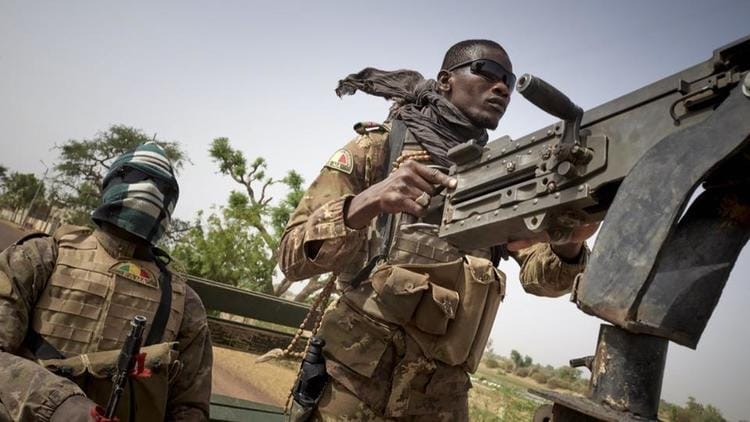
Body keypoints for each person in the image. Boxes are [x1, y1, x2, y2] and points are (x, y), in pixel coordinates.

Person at [279, 39, 597, 421]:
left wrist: (568, 245)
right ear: (446, 81)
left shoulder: (501, 174)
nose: (502, 88)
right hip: (350, 389)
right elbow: (292, 257)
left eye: (509, 81)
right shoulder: (379, 146)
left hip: (441, 400)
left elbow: (541, 279)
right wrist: (367, 202)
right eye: (487, 72)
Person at [0, 142, 212, 422]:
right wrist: (60, 406)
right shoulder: (41, 257)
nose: (149, 189)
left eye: (159, 185)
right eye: (136, 176)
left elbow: (189, 408)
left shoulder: (185, 303)